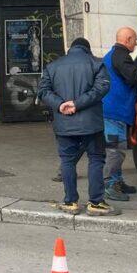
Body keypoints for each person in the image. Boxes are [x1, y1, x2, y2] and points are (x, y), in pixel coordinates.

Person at [37, 37, 117, 216]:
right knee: (96, 159)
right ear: (87, 50)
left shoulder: (53, 66)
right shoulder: (97, 64)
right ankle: (96, 203)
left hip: (64, 123)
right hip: (92, 125)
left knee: (67, 161)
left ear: (70, 49)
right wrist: (78, 103)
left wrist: (60, 104)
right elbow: (102, 88)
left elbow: (42, 91)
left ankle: (71, 202)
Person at [101, 26, 137, 202]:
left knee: (117, 148)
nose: (136, 43)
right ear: (127, 40)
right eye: (135, 40)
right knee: (115, 150)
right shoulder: (120, 55)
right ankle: (109, 185)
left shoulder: (116, 55)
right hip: (114, 112)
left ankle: (117, 181)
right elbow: (132, 76)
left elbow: (128, 68)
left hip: (114, 111)